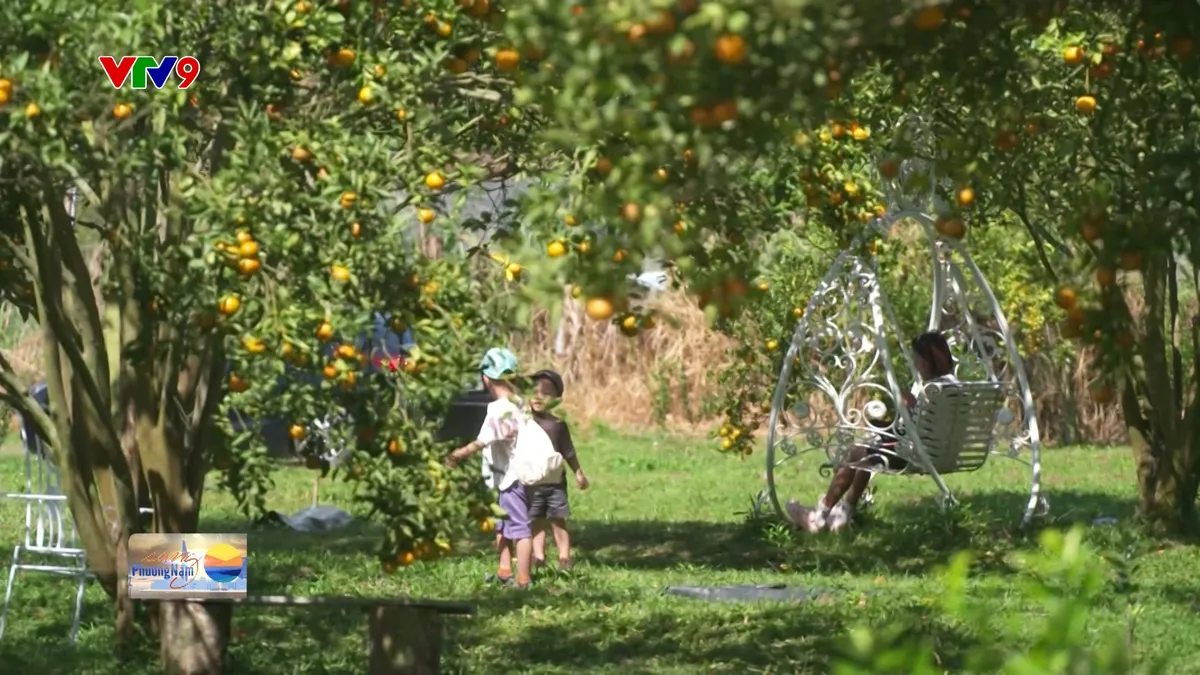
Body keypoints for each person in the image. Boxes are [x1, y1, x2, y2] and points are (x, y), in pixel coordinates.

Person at [788, 331, 957, 533]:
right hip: (942, 452)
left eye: (918, 361)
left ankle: (820, 515)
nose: (916, 365)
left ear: (927, 363)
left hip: (917, 455)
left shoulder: (934, 391)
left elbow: (917, 428)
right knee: (870, 448)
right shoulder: (955, 388)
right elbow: (931, 427)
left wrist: (909, 405)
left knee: (857, 452)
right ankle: (843, 512)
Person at [445, 347, 535, 588]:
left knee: (519, 528)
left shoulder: (499, 409)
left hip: (511, 479)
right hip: (511, 476)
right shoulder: (519, 403)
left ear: (486, 379)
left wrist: (457, 455)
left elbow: (482, 441)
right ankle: (505, 571)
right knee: (503, 524)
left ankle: (523, 580)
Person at [526, 369, 589, 572]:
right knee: (536, 520)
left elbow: (568, 451)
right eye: (534, 392)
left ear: (556, 399)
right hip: (532, 482)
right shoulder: (524, 423)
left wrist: (578, 473)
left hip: (555, 483)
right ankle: (539, 556)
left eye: (545, 394)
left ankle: (564, 558)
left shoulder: (557, 425)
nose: (538, 397)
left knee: (558, 520)